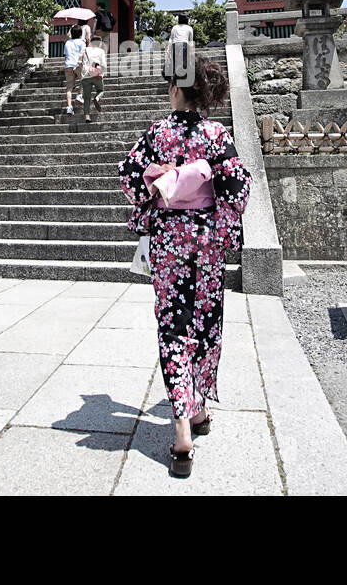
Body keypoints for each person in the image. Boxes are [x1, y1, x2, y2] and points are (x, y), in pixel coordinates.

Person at [118, 55, 252, 478]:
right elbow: (238, 187)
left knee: (173, 326)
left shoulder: (157, 133)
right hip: (207, 240)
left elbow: (128, 179)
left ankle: (182, 434)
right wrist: (211, 201)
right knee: (206, 321)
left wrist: (163, 182)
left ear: (177, 89)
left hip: (169, 241)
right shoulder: (217, 134)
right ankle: (199, 409)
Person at [80, 35, 107, 121]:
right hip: (97, 74)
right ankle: (97, 98)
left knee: (86, 98)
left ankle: (87, 116)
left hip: (86, 75)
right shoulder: (101, 51)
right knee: (101, 90)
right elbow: (103, 65)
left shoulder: (85, 50)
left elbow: (79, 62)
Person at [63, 24, 86, 115]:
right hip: (78, 64)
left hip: (68, 65)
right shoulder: (82, 42)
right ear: (81, 34)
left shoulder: (67, 43)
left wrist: (70, 29)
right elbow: (83, 54)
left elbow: (65, 55)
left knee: (69, 88)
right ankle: (80, 95)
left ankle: (69, 107)